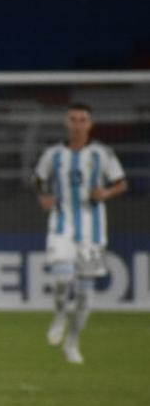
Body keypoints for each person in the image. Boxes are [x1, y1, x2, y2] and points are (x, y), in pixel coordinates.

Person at [34, 102, 127, 364]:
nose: (77, 124)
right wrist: (43, 197)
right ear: (67, 123)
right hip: (62, 224)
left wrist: (106, 193)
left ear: (90, 124)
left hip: (93, 229)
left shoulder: (102, 154)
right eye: (73, 119)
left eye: (82, 119)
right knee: (63, 278)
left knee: (85, 293)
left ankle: (73, 342)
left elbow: (121, 182)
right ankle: (61, 314)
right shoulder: (53, 154)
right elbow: (38, 179)